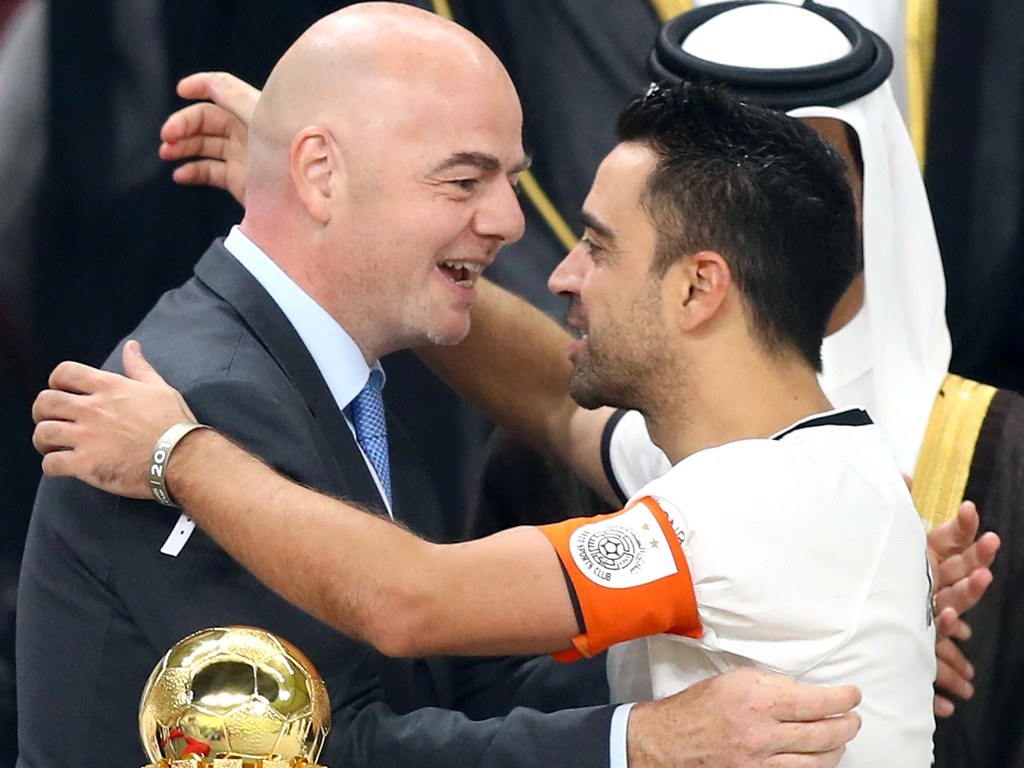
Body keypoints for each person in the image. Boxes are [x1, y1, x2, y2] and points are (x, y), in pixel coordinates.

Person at [15, 6, 874, 768]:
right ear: (321, 174)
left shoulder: (304, 383)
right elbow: (319, 745)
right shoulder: (214, 392)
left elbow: (425, 646)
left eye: (508, 176)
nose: (511, 222)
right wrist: (641, 739)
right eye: (465, 179)